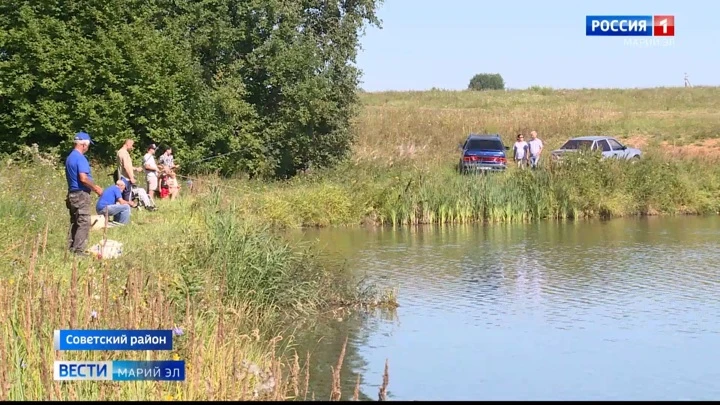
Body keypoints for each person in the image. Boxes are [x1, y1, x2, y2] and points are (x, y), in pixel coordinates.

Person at [65, 131, 103, 256]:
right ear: (84, 145)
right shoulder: (80, 158)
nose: (87, 148)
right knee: (84, 222)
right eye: (88, 145)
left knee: (75, 221)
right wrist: (96, 188)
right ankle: (79, 251)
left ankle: (70, 247)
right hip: (81, 194)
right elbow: (83, 178)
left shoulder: (70, 157)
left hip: (72, 193)